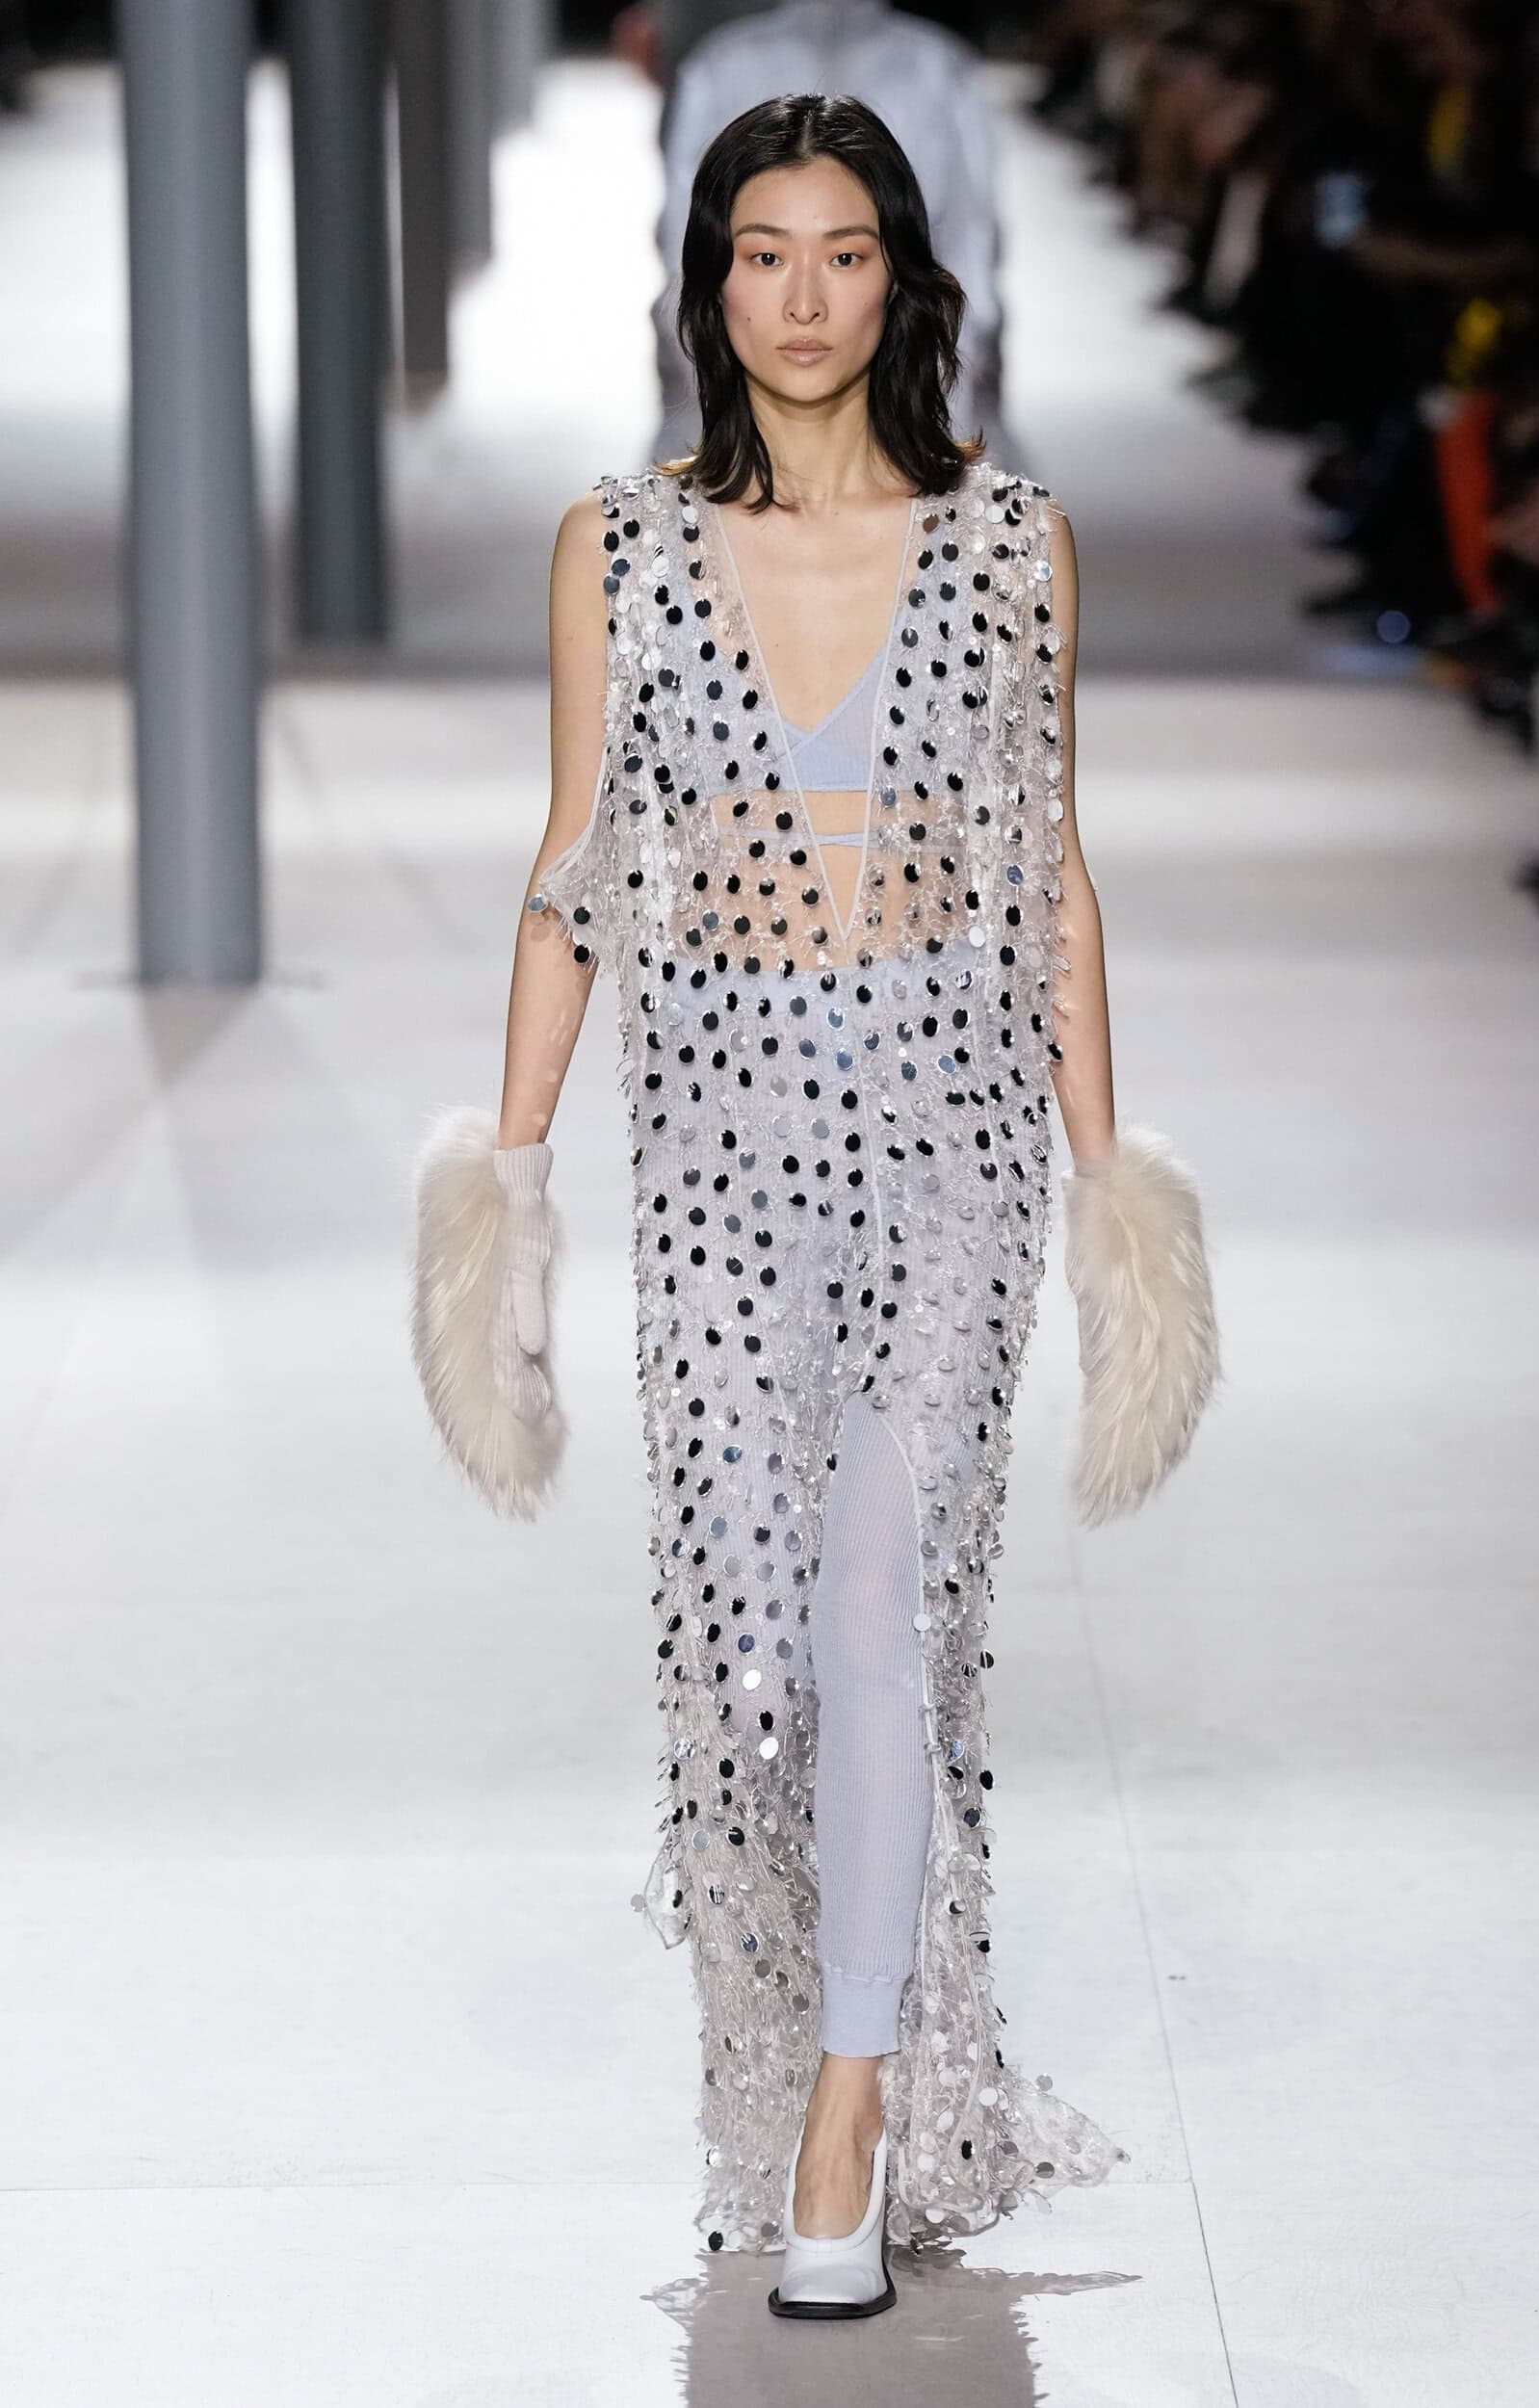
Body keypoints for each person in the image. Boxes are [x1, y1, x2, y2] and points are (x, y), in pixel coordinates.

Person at [411, 92, 1218, 2320]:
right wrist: (509, 1185)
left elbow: (1047, 866)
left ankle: (846, 2112)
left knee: (882, 1614)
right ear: (708, 283)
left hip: (947, 1139)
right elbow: (574, 868)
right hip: (720, 1151)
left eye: (842, 252)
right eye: (759, 252)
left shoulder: (1009, 542)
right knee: (754, 1651)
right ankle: (803, 2042)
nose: (800, 296)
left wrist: (1103, 1187)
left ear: (899, 280)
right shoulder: (620, 545)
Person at [649, 1, 1005, 463]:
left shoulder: (939, 69)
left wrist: (942, 403)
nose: (805, 306)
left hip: (912, 380)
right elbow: (688, 244)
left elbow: (969, 240)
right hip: (733, 418)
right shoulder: (722, 66)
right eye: (769, 258)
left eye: (844, 258)